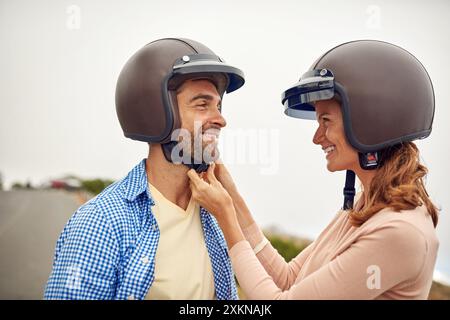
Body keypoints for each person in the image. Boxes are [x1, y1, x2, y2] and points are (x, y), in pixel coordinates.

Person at [187, 40, 440, 299]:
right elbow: (288, 279)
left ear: (371, 121)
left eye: (326, 121)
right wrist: (232, 197)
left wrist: (226, 217)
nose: (317, 137)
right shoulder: (364, 207)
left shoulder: (398, 232)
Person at [44, 38, 245, 300]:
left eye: (218, 106)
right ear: (155, 113)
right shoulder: (101, 224)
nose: (220, 119)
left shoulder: (212, 216)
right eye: (202, 104)